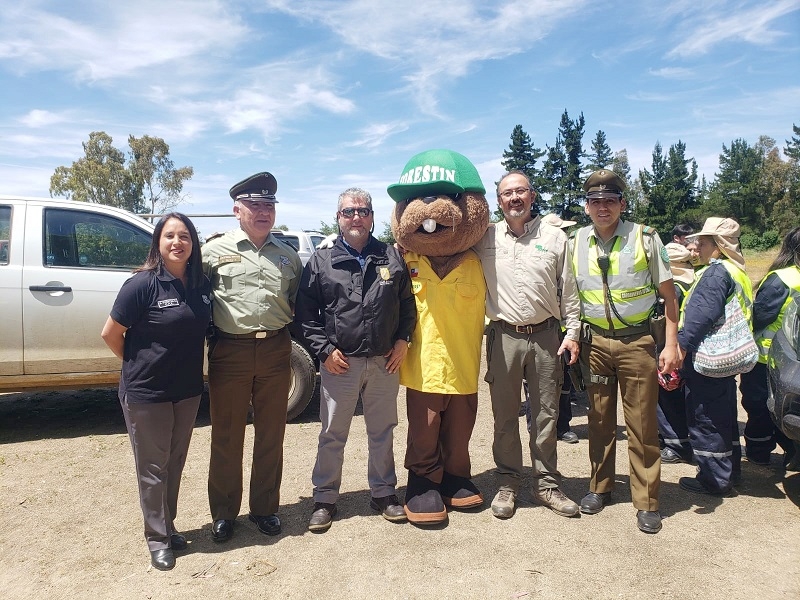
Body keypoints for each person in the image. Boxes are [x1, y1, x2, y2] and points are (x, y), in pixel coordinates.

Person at [295, 188, 416, 532]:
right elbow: (304, 313)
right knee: (333, 432)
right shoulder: (321, 260)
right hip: (340, 363)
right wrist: (323, 350)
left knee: (382, 430)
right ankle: (324, 498)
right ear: (338, 218)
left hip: (383, 362)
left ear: (372, 217)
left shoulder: (390, 256)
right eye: (348, 212)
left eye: (362, 211)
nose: (356, 218)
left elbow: (408, 305)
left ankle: (384, 492)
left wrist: (403, 341)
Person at [570, 169, 680, 534]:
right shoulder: (575, 241)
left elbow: (669, 296)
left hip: (637, 343)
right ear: (587, 206)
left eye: (610, 201)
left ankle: (647, 501)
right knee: (599, 419)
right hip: (595, 343)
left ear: (622, 203)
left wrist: (672, 343)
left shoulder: (645, 238)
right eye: (595, 201)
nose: (603, 208)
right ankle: (599, 487)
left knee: (642, 424)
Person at [101, 213, 211, 571]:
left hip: (188, 390)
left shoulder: (200, 286)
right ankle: (157, 538)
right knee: (152, 467)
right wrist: (135, 364)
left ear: (193, 244)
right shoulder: (142, 285)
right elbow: (110, 334)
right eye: (169, 236)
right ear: (158, 243)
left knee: (174, 463)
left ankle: (169, 524)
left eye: (184, 236)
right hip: (147, 393)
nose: (177, 242)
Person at [473, 171, 582, 520]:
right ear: (499, 200)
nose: (514, 198)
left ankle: (547, 483)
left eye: (520, 191)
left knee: (547, 415)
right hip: (503, 336)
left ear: (532, 196)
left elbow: (570, 288)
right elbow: (440, 243)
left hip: (547, 336)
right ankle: (508, 482)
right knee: (504, 416)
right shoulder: (483, 237)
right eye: (507, 193)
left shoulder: (555, 238)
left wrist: (573, 331)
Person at [202, 172, 302, 542]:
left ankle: (265, 509)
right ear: (236, 209)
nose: (264, 212)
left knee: (271, 432)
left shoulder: (288, 257)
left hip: (277, 349)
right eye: (255, 205)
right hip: (231, 350)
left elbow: (295, 301)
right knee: (227, 434)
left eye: (269, 206)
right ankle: (224, 513)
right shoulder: (213, 252)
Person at [677, 217, 752, 495]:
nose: (697, 246)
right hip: (727, 357)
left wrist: (680, 348)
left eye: (704, 242)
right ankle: (731, 471)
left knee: (705, 417)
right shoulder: (737, 270)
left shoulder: (716, 273)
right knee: (724, 417)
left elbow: (700, 316)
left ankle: (714, 479)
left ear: (719, 247)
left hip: (707, 357)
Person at [739, 226, 800, 468]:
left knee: (758, 405)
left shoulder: (782, 278)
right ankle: (792, 451)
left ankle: (758, 452)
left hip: (768, 358)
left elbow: (760, 316)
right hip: (794, 359)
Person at [522, 212, 581, 444]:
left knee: (563, 382)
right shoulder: (531, 256)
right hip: (544, 328)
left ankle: (562, 425)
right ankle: (534, 426)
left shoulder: (568, 252)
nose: (562, 234)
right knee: (532, 383)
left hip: (564, 329)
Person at [657, 242, 696, 464]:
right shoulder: (693, 283)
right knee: (681, 397)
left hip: (669, 349)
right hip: (687, 349)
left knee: (667, 398)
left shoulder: (674, 289)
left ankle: (675, 443)